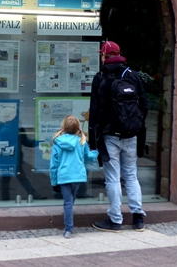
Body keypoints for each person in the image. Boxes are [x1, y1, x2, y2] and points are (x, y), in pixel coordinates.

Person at [89, 41, 148, 233]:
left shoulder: (100, 77)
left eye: (101, 54)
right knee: (131, 175)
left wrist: (93, 137)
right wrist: (135, 125)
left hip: (110, 136)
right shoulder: (132, 75)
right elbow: (144, 105)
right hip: (131, 135)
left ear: (104, 56)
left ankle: (115, 220)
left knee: (113, 178)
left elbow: (95, 110)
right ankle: (138, 218)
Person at [50, 115, 98, 239]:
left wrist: (54, 181)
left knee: (67, 201)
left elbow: (54, 164)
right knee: (71, 199)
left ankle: (68, 229)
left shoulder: (58, 142)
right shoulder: (81, 142)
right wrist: (96, 152)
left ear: (63, 127)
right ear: (78, 129)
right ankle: (68, 213)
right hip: (77, 176)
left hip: (64, 176)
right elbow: (89, 157)